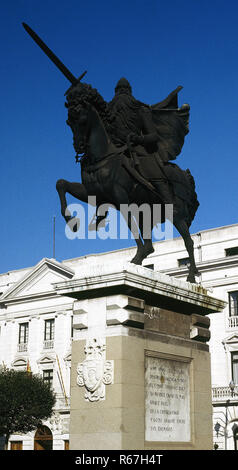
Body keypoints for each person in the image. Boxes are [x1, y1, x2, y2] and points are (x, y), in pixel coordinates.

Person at [108, 77, 176, 205]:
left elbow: (154, 136)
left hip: (136, 148)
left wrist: (139, 138)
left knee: (152, 168)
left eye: (124, 90)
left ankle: (169, 203)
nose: (121, 94)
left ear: (129, 93)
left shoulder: (140, 109)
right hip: (115, 150)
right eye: (119, 90)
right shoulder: (109, 111)